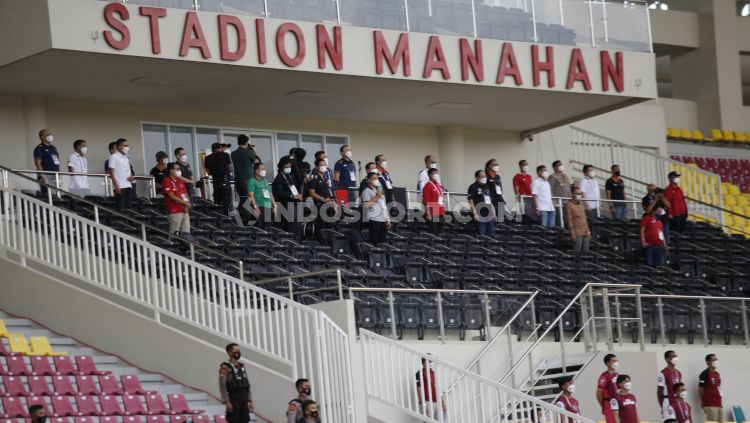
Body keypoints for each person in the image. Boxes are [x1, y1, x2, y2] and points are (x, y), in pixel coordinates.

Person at [219, 343, 254, 423]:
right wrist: (227, 401)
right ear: (229, 353)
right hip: (233, 398)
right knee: (233, 419)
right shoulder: (225, 367)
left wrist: (250, 401)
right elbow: (222, 386)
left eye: (239, 350)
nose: (238, 352)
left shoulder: (241, 366)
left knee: (245, 420)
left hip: (244, 397)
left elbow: (246, 385)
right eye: (236, 350)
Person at [308, 158, 338, 241]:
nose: (324, 166)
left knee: (329, 227)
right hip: (320, 205)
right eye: (321, 165)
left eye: (325, 165)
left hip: (329, 206)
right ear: (317, 167)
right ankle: (317, 243)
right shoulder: (314, 177)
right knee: (321, 227)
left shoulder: (325, 178)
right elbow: (311, 193)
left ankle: (328, 244)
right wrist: (323, 199)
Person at [273, 157, 303, 236]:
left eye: (289, 167)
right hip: (285, 204)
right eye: (286, 167)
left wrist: (298, 195)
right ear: (282, 167)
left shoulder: (290, 176)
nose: (288, 169)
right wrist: (292, 197)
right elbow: (279, 192)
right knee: (291, 225)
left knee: (296, 224)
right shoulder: (279, 177)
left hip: (293, 203)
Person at [361, 171, 392, 244]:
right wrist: (377, 196)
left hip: (383, 220)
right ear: (368, 180)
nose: (376, 180)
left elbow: (384, 206)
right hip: (374, 219)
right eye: (374, 178)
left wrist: (387, 219)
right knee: (374, 241)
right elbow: (366, 205)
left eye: (377, 178)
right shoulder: (367, 191)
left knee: (382, 241)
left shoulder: (380, 191)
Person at [232, 135, 257, 218]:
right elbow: (256, 161)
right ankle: (248, 219)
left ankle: (242, 217)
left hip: (238, 180)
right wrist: (254, 151)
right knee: (249, 200)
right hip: (247, 180)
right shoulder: (249, 153)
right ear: (246, 142)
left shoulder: (233, 153)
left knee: (242, 200)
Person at [163, 162, 191, 235]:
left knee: (186, 233)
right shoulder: (167, 180)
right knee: (174, 234)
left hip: (184, 210)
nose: (179, 171)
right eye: (177, 169)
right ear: (171, 171)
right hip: (174, 211)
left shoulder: (180, 180)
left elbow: (185, 194)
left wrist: (186, 205)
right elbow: (172, 196)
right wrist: (186, 203)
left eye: (179, 169)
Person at [416, 356, 447, 421]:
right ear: (423, 363)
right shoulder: (420, 373)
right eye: (427, 361)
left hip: (437, 401)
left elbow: (438, 388)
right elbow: (419, 388)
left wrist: (443, 403)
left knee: (440, 420)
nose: (429, 363)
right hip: (428, 401)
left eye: (430, 361)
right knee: (428, 420)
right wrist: (423, 403)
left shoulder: (433, 373)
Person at [204, 143, 233, 211]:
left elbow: (208, 172)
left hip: (216, 183)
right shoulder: (225, 155)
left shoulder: (207, 158)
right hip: (225, 182)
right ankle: (227, 217)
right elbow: (230, 168)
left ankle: (219, 216)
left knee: (217, 202)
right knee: (227, 202)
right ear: (220, 148)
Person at [247, 162, 276, 229]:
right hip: (259, 207)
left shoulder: (265, 181)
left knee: (268, 228)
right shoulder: (251, 181)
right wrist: (255, 207)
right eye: (262, 169)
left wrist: (274, 205)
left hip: (268, 206)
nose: (264, 171)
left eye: (265, 169)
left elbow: (270, 194)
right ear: (256, 170)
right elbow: (251, 196)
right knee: (259, 228)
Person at [108, 138, 135, 212]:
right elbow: (111, 172)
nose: (127, 147)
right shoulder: (113, 156)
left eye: (127, 145)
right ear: (119, 147)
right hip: (120, 186)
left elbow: (128, 169)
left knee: (129, 207)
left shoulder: (126, 157)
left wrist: (131, 176)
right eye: (125, 145)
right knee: (121, 207)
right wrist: (116, 186)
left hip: (128, 185)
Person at [468, 170, 496, 236]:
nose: (484, 178)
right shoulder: (473, 187)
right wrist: (475, 214)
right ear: (477, 178)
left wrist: (494, 213)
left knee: (491, 235)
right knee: (481, 234)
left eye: (485, 176)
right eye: (482, 176)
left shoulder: (487, 187)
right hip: (480, 214)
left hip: (490, 214)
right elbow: (471, 201)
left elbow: (490, 201)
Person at [657, 350, 683, 420]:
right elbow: (659, 391)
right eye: (673, 356)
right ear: (667, 359)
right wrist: (662, 406)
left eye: (676, 356)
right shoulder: (663, 373)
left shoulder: (678, 373)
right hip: (667, 401)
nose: (676, 358)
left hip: (677, 401)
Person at [33, 129, 60, 194]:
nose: (50, 136)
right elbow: (38, 163)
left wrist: (59, 175)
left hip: (55, 175)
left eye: (50, 134)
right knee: (47, 195)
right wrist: (42, 175)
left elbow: (56, 162)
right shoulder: (39, 148)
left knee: (56, 195)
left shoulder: (53, 148)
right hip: (46, 176)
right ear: (42, 137)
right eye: (48, 135)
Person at [566, 186, 591, 252]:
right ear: (573, 194)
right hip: (577, 231)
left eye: (580, 194)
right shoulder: (569, 205)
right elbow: (569, 220)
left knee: (586, 251)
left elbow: (584, 218)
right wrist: (572, 233)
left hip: (585, 231)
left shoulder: (581, 205)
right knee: (577, 251)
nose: (579, 195)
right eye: (577, 194)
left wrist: (588, 230)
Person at [597, 353, 620, 423]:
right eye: (614, 361)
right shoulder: (604, 376)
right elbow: (599, 393)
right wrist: (603, 405)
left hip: (618, 403)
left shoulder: (617, 375)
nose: (616, 362)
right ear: (608, 363)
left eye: (617, 361)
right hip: (609, 403)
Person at [699, 354, 722, 423]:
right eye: (714, 360)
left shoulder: (717, 374)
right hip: (709, 403)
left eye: (716, 359)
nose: (716, 361)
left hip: (718, 403)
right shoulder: (705, 373)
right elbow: (701, 388)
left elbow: (718, 387)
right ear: (708, 362)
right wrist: (702, 401)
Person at [422, 168, 446, 235]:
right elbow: (426, 200)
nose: (437, 175)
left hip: (440, 210)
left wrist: (443, 211)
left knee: (441, 231)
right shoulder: (427, 186)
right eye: (435, 174)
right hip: (433, 210)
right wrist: (428, 213)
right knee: (434, 230)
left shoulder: (438, 185)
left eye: (437, 174)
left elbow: (441, 198)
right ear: (430, 175)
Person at [549, 160, 572, 225]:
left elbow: (568, 188)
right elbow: (550, 190)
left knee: (567, 220)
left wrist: (571, 198)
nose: (561, 166)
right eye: (559, 165)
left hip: (567, 202)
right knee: (560, 221)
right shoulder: (552, 177)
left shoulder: (565, 176)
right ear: (554, 167)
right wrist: (554, 202)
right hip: (559, 203)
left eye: (561, 164)